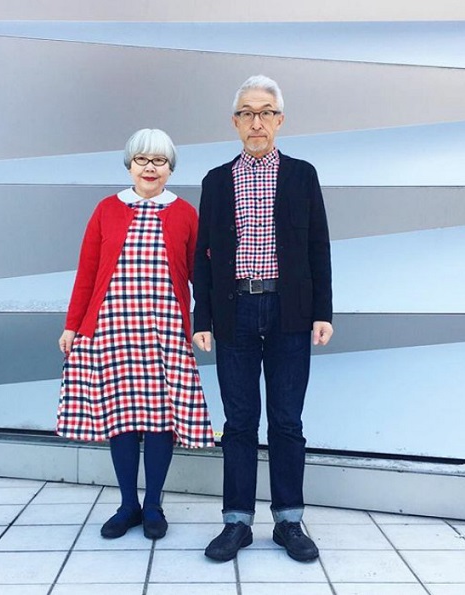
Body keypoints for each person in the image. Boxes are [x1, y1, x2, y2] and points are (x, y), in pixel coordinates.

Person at [193, 75, 333, 562]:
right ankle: (236, 523)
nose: (257, 122)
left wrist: (322, 312)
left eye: (266, 113)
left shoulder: (302, 175)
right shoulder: (216, 181)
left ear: (280, 120)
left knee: (286, 420)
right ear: (235, 122)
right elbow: (203, 257)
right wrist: (202, 317)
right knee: (238, 422)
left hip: (289, 312)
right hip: (235, 312)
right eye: (248, 113)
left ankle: (289, 521)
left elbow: (318, 246)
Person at [57, 128, 215, 541]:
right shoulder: (107, 209)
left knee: (161, 418)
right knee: (122, 417)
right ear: (129, 165)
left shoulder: (185, 213)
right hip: (112, 328)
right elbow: (88, 270)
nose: (150, 167)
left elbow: (201, 275)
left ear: (170, 169)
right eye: (142, 159)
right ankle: (128, 504)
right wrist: (73, 325)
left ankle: (154, 504)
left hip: (165, 330)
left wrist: (206, 322)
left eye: (159, 160)